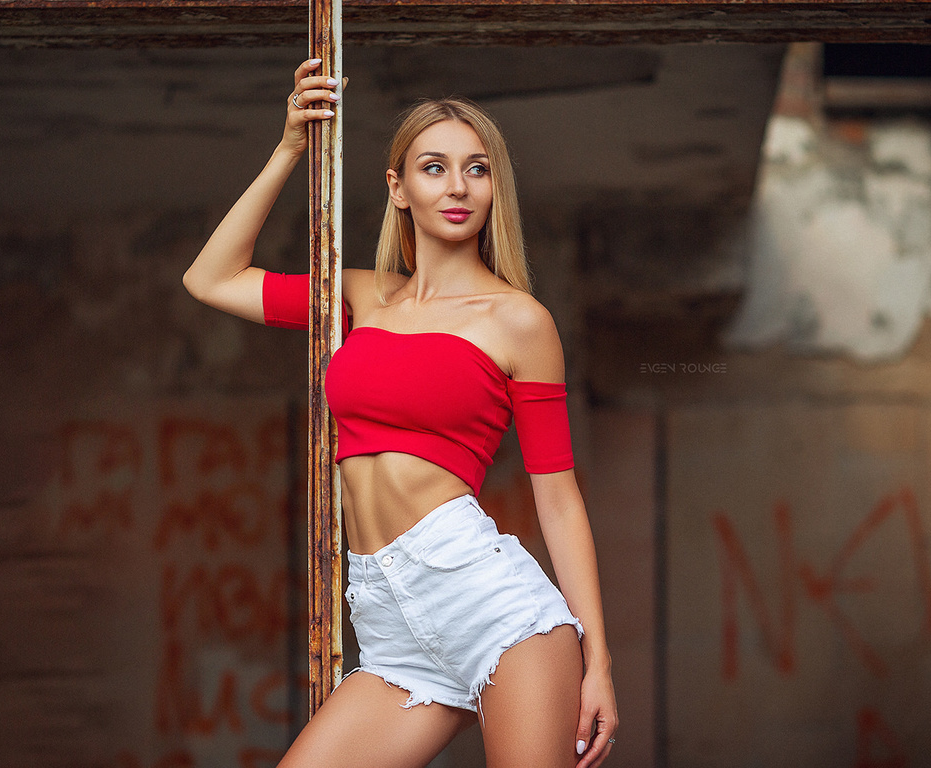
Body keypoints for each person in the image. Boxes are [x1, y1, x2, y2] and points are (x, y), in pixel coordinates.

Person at [183, 58, 617, 768]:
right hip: (388, 621)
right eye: (434, 167)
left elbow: (559, 499)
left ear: (493, 188)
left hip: (493, 610)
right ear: (399, 187)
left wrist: (598, 661)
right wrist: (293, 144)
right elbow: (211, 278)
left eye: (476, 169)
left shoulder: (519, 322)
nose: (456, 186)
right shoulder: (358, 297)